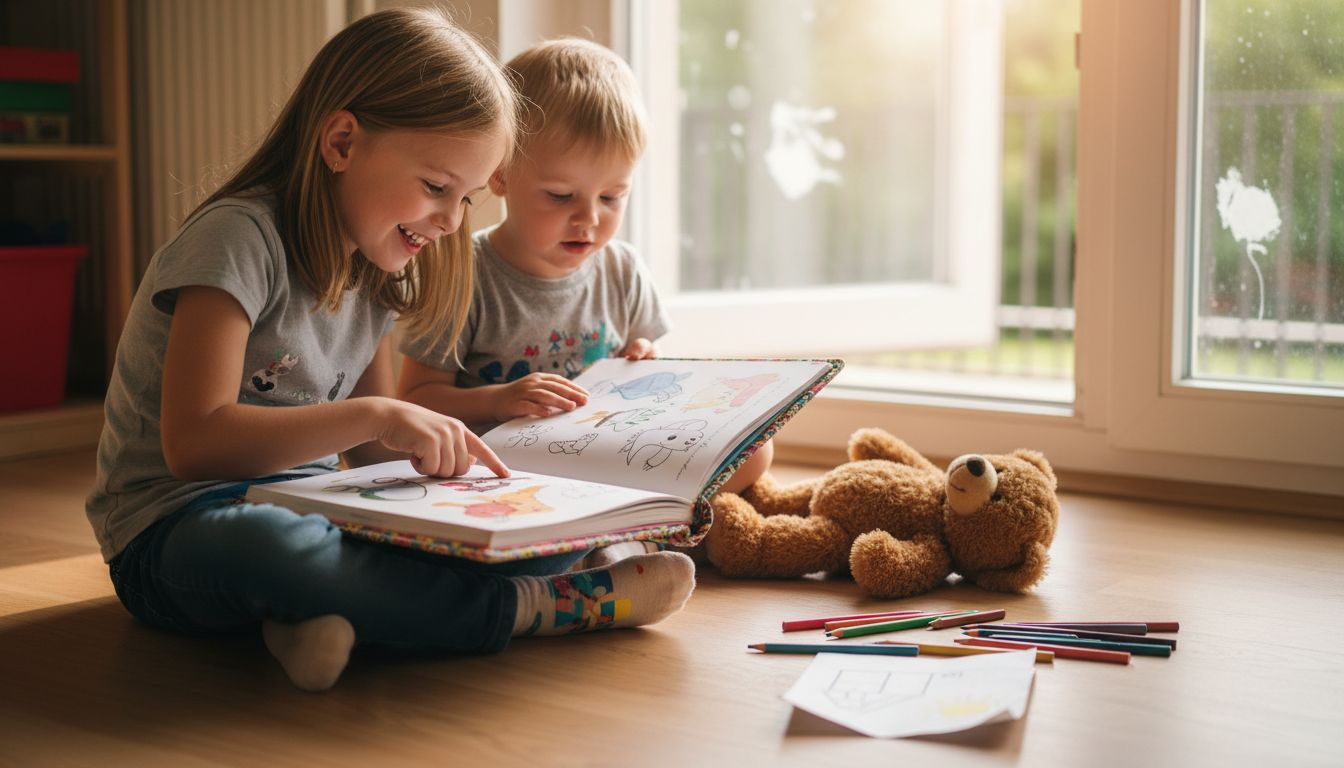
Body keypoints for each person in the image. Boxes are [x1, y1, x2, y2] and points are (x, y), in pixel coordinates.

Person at [85, 8, 694, 694]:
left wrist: (487, 491)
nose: (450, 221)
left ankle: (322, 616)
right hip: (175, 527)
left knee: (503, 534)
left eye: (465, 198)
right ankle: (535, 609)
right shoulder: (235, 240)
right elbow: (193, 446)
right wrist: (378, 414)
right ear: (342, 141)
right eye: (437, 188)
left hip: (313, 506)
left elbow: (373, 461)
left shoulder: (377, 270)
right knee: (272, 551)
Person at [396, 38, 774, 528]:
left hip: (603, 453)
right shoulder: (462, 271)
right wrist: (499, 399)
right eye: (560, 196)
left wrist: (644, 365)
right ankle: (637, 532)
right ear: (501, 174)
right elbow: (415, 400)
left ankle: (633, 523)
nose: (589, 219)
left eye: (613, 197)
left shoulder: (620, 269)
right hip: (502, 469)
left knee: (756, 450)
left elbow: (657, 382)